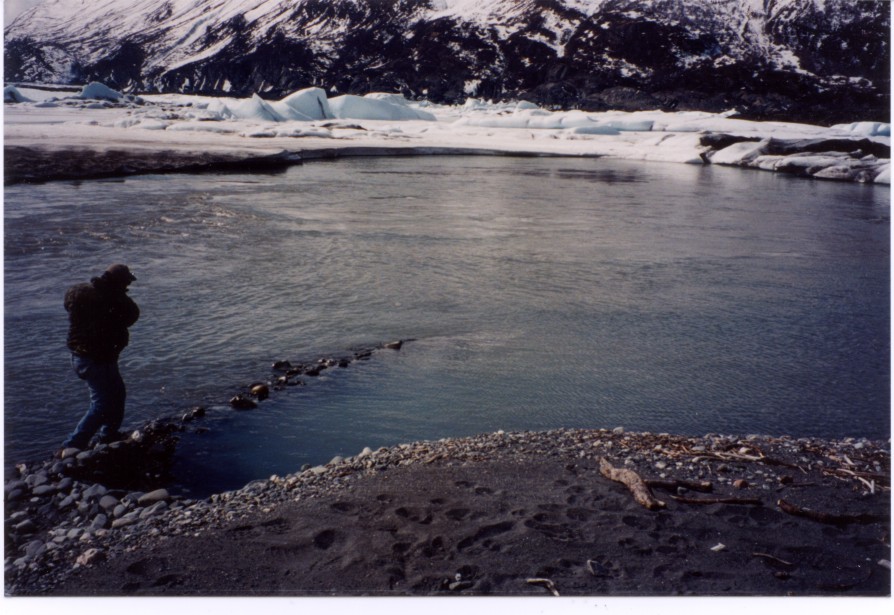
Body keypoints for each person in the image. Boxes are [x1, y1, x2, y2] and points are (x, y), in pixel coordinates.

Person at [61, 264, 140, 450]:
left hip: (93, 358)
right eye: (127, 281)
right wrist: (116, 296)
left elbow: (68, 304)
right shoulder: (113, 299)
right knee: (102, 403)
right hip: (94, 360)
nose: (128, 284)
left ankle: (108, 435)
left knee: (117, 394)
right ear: (120, 281)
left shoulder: (81, 292)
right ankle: (72, 445)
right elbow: (131, 316)